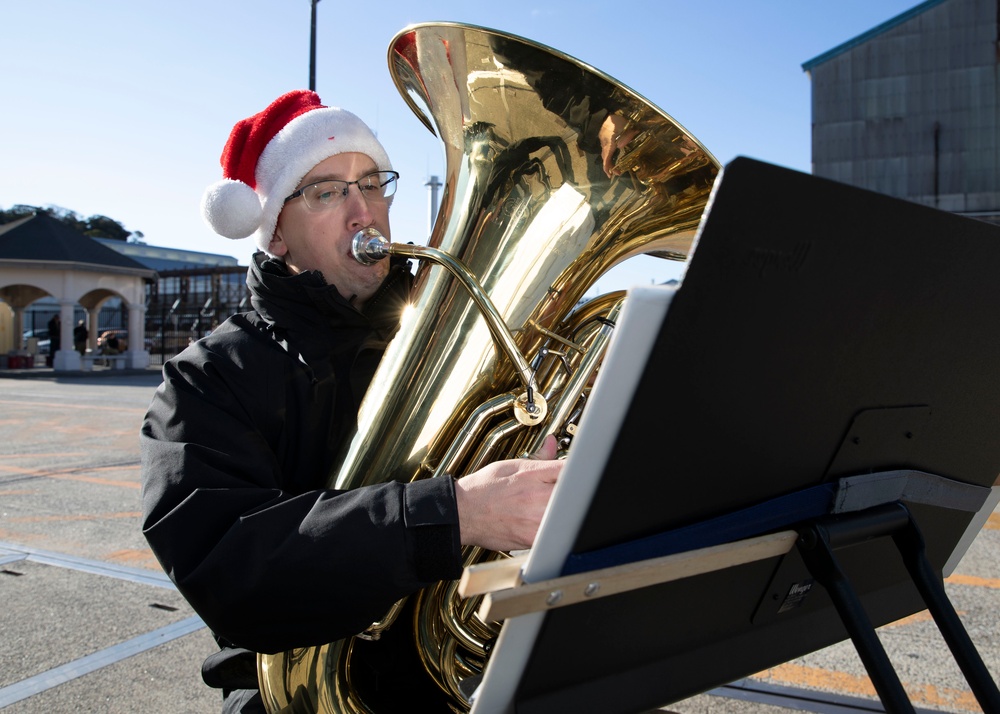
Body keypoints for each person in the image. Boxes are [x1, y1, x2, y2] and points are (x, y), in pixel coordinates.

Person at [140, 90, 562, 713]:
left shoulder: (457, 326)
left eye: (372, 182)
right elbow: (229, 565)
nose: (364, 211)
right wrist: (459, 514)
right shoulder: (206, 379)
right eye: (327, 191)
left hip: (464, 681)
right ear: (276, 231)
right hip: (301, 696)